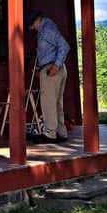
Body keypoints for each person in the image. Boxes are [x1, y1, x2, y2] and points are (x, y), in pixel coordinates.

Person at [27, 10, 70, 144]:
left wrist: (56, 65)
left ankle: (50, 133)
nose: (31, 28)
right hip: (53, 68)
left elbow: (64, 46)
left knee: (48, 103)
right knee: (57, 102)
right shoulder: (48, 27)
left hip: (52, 69)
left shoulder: (47, 29)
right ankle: (61, 132)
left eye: (31, 24)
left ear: (37, 20)